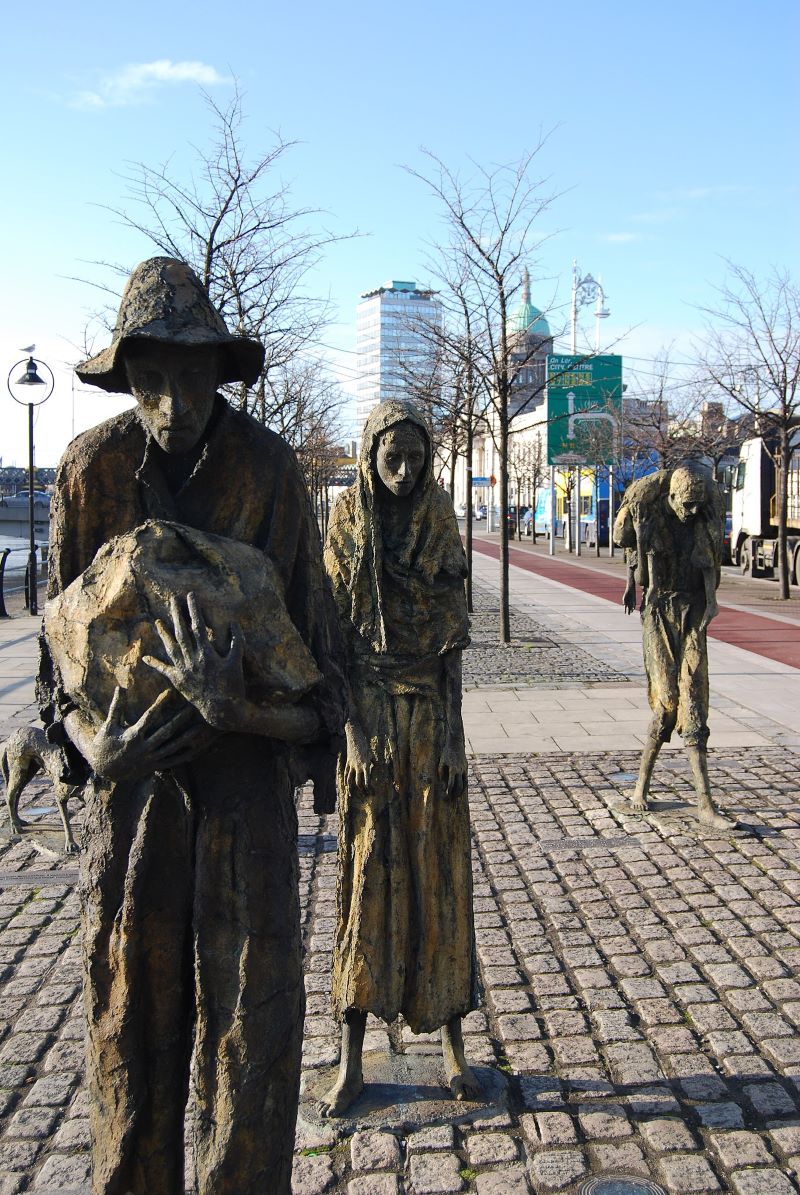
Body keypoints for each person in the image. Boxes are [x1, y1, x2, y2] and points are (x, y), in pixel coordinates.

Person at [37, 257, 345, 1195]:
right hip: (132, 815)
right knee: (129, 1044)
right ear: (126, 377)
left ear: (220, 366)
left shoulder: (271, 474)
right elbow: (57, 673)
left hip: (246, 811)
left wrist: (238, 707)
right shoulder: (90, 472)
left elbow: (325, 693)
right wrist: (95, 749)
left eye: (191, 376)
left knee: (249, 1054)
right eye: (149, 380)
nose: (172, 404)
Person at [320, 399, 480, 1118]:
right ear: (369, 454)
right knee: (367, 876)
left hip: (430, 721)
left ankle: (453, 1044)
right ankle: (351, 1056)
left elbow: (450, 646)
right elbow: (334, 645)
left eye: (416, 457)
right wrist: (350, 734)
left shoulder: (439, 519)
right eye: (393, 458)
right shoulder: (347, 524)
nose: (406, 470)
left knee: (440, 877)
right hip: (370, 721)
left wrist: (452, 737)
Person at [613, 460, 734, 829]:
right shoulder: (649, 510)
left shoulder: (702, 517)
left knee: (695, 701)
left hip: (693, 609)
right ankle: (639, 791)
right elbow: (621, 537)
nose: (692, 511)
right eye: (687, 504)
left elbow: (710, 564)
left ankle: (705, 803)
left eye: (698, 505)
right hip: (660, 610)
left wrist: (710, 603)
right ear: (670, 496)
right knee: (666, 703)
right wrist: (632, 580)